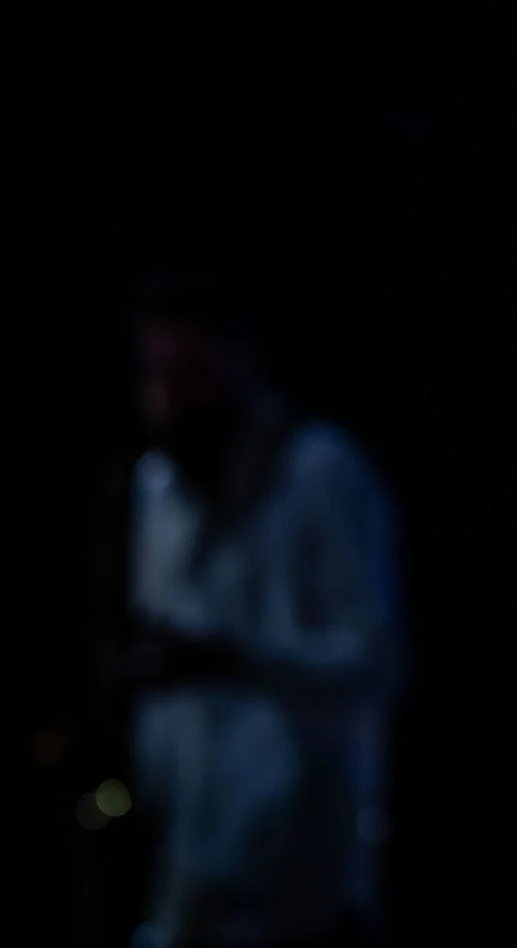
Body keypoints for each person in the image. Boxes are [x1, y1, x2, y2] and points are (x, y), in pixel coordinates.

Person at [116, 259, 402, 948]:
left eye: (190, 372)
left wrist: (233, 659)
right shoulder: (156, 486)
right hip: (192, 870)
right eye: (155, 374)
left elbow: (375, 660)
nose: (168, 398)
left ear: (242, 362)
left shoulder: (321, 471)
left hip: (304, 883)